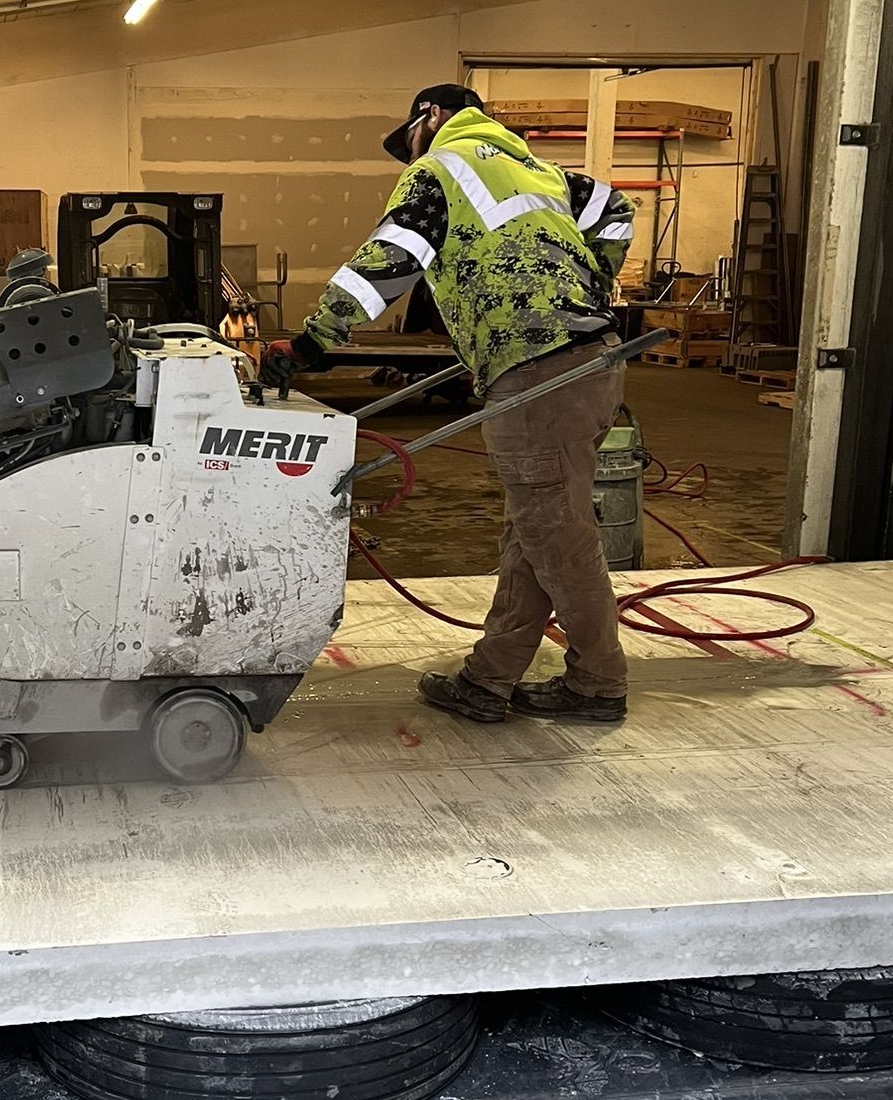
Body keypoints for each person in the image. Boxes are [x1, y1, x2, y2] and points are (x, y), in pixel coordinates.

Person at [264, 83, 635, 723]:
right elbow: (617, 209)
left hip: (538, 371)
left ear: (431, 116)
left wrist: (311, 343)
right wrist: (585, 286)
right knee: (536, 531)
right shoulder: (538, 171)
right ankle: (489, 679)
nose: (408, 154)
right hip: (588, 362)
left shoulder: (440, 168)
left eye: (408, 139)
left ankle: (599, 682)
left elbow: (390, 259)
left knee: (557, 537)